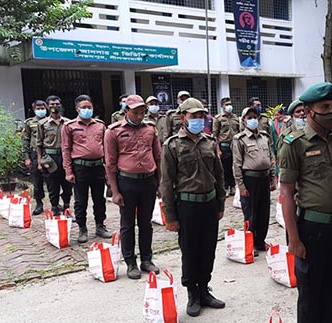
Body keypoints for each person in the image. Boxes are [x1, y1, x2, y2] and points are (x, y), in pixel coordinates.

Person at [278, 82, 332, 323]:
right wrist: (294, 239)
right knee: (311, 297)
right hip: (312, 229)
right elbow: (287, 194)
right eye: (325, 107)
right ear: (310, 111)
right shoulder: (294, 143)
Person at [161, 98, 226, 316]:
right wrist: (170, 216)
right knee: (190, 251)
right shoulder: (172, 145)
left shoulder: (209, 141)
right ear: (183, 118)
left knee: (208, 249)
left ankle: (204, 290)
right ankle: (192, 294)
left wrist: (220, 203)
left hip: (208, 203)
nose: (198, 119)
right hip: (187, 206)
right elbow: (166, 182)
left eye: (201, 116)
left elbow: (218, 174)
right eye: (193, 116)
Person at [105, 95, 161, 279]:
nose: (139, 116)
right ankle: (130, 262)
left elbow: (158, 158)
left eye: (142, 112)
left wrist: (160, 183)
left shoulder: (151, 129)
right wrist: (115, 191)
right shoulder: (113, 131)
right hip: (127, 182)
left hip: (148, 181)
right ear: (125, 111)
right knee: (127, 224)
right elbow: (110, 164)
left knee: (146, 223)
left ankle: (147, 259)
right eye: (135, 112)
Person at [62, 95, 109, 243]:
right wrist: (68, 172)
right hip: (80, 168)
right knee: (80, 201)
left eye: (89, 107)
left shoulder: (100, 125)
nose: (87, 110)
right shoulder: (69, 126)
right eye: (84, 107)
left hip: (98, 167)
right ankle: (82, 229)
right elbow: (66, 149)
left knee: (99, 199)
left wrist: (108, 169)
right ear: (77, 109)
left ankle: (100, 226)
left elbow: (106, 149)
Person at [233, 107, 276, 256]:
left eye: (254, 117)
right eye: (249, 117)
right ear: (243, 120)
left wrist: (273, 178)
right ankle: (250, 243)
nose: (252, 120)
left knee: (264, 212)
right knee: (250, 213)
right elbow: (237, 164)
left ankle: (260, 241)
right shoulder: (240, 139)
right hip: (250, 179)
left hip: (264, 178)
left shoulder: (264, 137)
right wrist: (241, 186)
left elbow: (270, 158)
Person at [36, 95, 72, 215]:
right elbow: (39, 144)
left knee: (67, 185)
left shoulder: (68, 122)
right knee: (53, 186)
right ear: (47, 106)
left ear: (60, 105)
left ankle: (66, 207)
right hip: (50, 158)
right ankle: (55, 208)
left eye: (56, 104)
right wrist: (40, 161)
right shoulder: (42, 124)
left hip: (65, 157)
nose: (54, 106)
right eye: (51, 104)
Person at [22, 100, 48, 215]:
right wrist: (27, 157)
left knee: (53, 179)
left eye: (42, 108)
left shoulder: (50, 121)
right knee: (37, 179)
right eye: (38, 108)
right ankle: (39, 203)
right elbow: (25, 140)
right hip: (34, 153)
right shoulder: (29, 123)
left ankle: (56, 203)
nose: (41, 110)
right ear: (34, 110)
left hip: (48, 152)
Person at [212, 97, 240, 197]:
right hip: (224, 146)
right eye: (226, 104)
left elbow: (239, 132)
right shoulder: (218, 118)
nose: (229, 106)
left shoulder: (235, 117)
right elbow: (215, 135)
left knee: (236, 167)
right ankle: (226, 186)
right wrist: (218, 149)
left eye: (230, 104)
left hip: (235, 146)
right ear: (222, 106)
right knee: (225, 168)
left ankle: (233, 186)